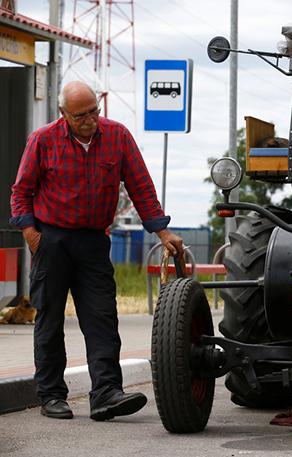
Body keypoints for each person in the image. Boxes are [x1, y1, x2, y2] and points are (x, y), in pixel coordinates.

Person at [10, 80, 184, 421]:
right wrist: (34, 237)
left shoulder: (117, 136)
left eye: (94, 111)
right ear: (64, 114)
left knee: (102, 318)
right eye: (81, 115)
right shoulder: (43, 140)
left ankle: (105, 393)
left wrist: (162, 231)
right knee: (49, 318)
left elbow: (141, 187)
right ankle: (51, 396)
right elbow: (20, 192)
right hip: (52, 239)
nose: (90, 120)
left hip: (94, 242)